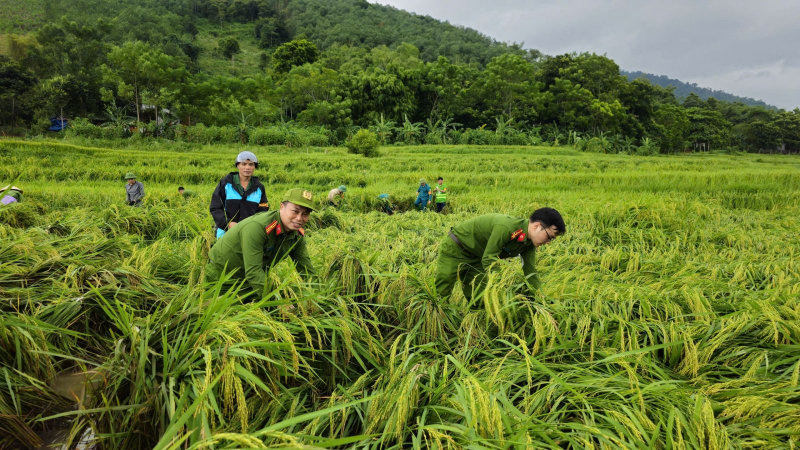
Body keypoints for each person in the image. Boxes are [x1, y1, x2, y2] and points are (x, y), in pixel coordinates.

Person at [205, 188, 316, 300]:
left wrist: (321, 297)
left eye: (305, 214)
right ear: (282, 207)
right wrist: (279, 303)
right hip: (222, 278)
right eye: (295, 211)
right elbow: (254, 272)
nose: (299, 218)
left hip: (251, 281)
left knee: (292, 300)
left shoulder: (296, 236)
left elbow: (307, 270)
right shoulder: (258, 227)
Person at [435, 207, 565, 302]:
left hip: (477, 257)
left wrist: (540, 298)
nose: (548, 242)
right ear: (537, 226)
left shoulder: (528, 244)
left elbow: (530, 271)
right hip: (456, 247)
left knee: (479, 297)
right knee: (443, 290)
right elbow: (489, 258)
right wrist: (502, 283)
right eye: (549, 237)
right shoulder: (507, 227)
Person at [210, 151, 269, 239]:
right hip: (225, 232)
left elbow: (263, 207)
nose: (247, 168)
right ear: (238, 165)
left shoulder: (259, 188)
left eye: (251, 164)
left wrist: (253, 225)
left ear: (254, 167)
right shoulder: (225, 184)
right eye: (244, 164)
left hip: (249, 232)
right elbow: (215, 207)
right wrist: (228, 224)